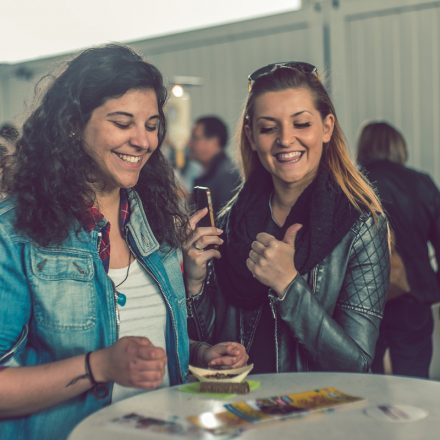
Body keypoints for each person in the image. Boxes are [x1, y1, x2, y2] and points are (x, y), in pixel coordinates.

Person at [0, 44, 247, 440]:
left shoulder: (157, 220)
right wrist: (98, 366)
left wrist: (197, 353)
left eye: (151, 126)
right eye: (122, 122)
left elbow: (145, 333)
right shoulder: (16, 232)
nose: (142, 141)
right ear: (72, 123)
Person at [185, 62, 390, 374]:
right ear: (252, 137)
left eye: (301, 124)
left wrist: (288, 284)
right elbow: (208, 337)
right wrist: (195, 284)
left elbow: (357, 364)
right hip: (244, 407)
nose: (285, 139)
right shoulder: (230, 222)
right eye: (269, 128)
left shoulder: (361, 225)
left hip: (317, 413)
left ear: (327, 127)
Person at [357, 121, 440, 378]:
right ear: (399, 148)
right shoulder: (421, 183)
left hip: (363, 299)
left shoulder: (354, 184)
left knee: (366, 381)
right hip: (413, 295)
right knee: (414, 381)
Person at [189, 115, 241, 215]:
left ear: (214, 142)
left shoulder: (227, 177)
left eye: (195, 138)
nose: (189, 144)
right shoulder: (214, 173)